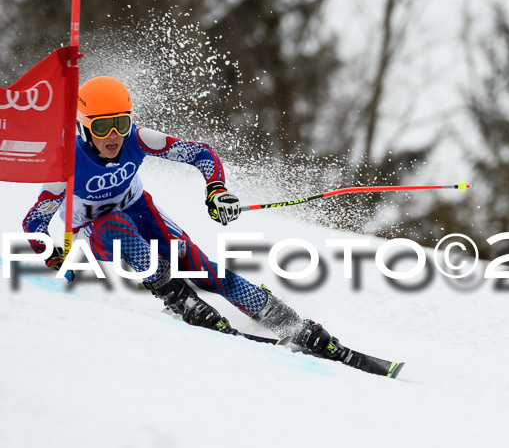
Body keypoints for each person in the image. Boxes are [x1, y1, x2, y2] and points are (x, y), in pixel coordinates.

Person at [22, 76, 342, 359]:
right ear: (83, 126)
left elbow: (201, 153)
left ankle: (285, 320)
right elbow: (33, 224)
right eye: (102, 126)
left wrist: (215, 189)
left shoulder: (137, 138)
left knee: (199, 266)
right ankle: (178, 298)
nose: (114, 135)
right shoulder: (66, 164)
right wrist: (52, 254)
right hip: (97, 231)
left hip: (141, 211)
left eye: (121, 122)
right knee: (111, 225)